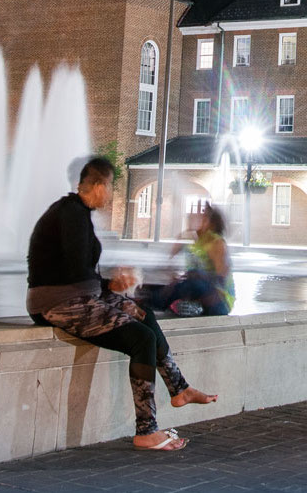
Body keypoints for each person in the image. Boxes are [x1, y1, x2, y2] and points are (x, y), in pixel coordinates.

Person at [27, 157, 216, 451]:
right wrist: (111, 285)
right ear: (99, 186)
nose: (113, 194)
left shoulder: (77, 213)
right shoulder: (70, 215)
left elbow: (78, 271)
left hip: (80, 295)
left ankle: (179, 389)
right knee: (141, 339)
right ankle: (146, 430)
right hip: (57, 302)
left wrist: (108, 286)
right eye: (111, 186)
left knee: (145, 316)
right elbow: (74, 272)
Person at [146, 204, 232, 317]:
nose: (192, 219)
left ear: (209, 222)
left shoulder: (216, 242)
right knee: (160, 282)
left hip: (219, 301)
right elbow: (167, 261)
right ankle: (150, 300)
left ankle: (153, 303)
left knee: (193, 281)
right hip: (196, 293)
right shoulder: (189, 238)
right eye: (190, 217)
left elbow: (221, 278)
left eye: (199, 217)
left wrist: (194, 275)